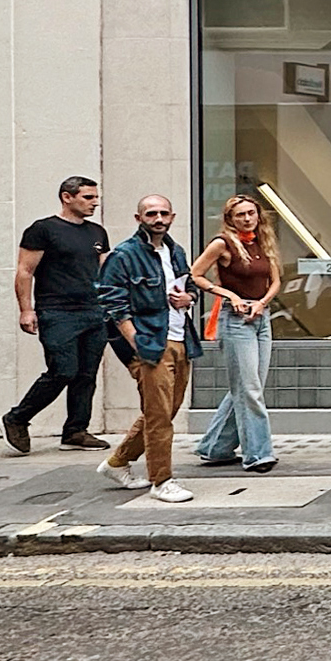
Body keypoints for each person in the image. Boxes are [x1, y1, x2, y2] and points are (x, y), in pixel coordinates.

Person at [95, 194, 204, 503]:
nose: (158, 218)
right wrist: (137, 342)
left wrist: (189, 299)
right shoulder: (124, 255)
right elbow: (112, 303)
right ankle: (162, 481)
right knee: (159, 416)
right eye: (151, 213)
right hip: (152, 341)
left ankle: (117, 462)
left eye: (163, 213)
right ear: (138, 218)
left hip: (181, 337)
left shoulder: (176, 251)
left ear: (172, 216)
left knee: (166, 408)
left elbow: (190, 286)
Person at [2, 175, 112, 455]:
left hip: (93, 310)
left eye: (95, 197)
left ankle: (76, 430)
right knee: (63, 370)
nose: (94, 203)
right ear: (67, 197)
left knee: (86, 374)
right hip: (57, 311)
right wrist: (26, 310)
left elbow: (105, 271)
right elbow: (25, 271)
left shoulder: (97, 232)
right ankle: (17, 418)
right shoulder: (43, 230)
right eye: (88, 197)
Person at [188, 193, 281, 472]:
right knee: (249, 389)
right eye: (240, 214)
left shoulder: (263, 241)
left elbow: (275, 281)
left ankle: (214, 447)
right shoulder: (223, 244)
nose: (247, 218)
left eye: (251, 213)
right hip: (236, 319)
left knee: (248, 387)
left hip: (261, 317)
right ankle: (258, 454)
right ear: (230, 219)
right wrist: (228, 294)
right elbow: (195, 274)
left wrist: (263, 303)